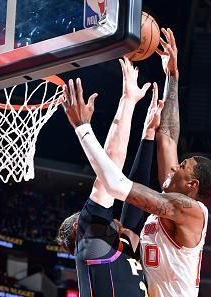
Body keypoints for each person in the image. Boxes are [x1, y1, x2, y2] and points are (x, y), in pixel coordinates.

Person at [61, 29, 211, 297]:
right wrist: (172, 75)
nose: (173, 167)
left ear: (192, 185)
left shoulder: (190, 210)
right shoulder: (174, 197)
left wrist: (82, 128)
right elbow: (168, 135)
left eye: (182, 167)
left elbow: (116, 185)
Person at [56, 57, 163, 297]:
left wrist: (147, 135)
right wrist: (127, 101)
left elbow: (135, 197)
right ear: (80, 227)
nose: (111, 217)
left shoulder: (115, 249)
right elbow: (112, 164)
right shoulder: (92, 244)